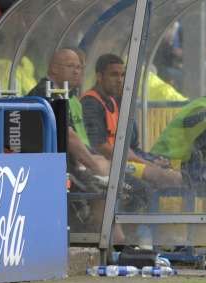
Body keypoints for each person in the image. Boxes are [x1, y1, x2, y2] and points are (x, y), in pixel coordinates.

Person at [81, 53, 182, 189]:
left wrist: (148, 160)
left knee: (173, 173)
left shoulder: (112, 100)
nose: (120, 80)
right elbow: (101, 147)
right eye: (114, 75)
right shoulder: (90, 103)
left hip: (121, 160)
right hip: (108, 164)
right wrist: (147, 163)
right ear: (99, 77)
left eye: (122, 75)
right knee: (159, 179)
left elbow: (125, 146)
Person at [27, 48, 110, 176]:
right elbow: (68, 136)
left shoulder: (61, 93)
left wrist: (93, 160)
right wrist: (95, 166)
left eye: (79, 67)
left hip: (62, 165)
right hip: (48, 170)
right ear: (54, 68)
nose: (77, 71)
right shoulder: (48, 92)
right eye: (71, 66)